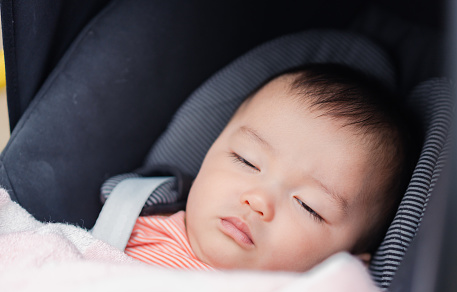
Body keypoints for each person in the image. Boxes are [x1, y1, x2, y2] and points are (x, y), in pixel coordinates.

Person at [124, 64, 419, 272]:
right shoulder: (129, 218)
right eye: (246, 160)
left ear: (348, 264)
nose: (258, 200)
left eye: (308, 206)